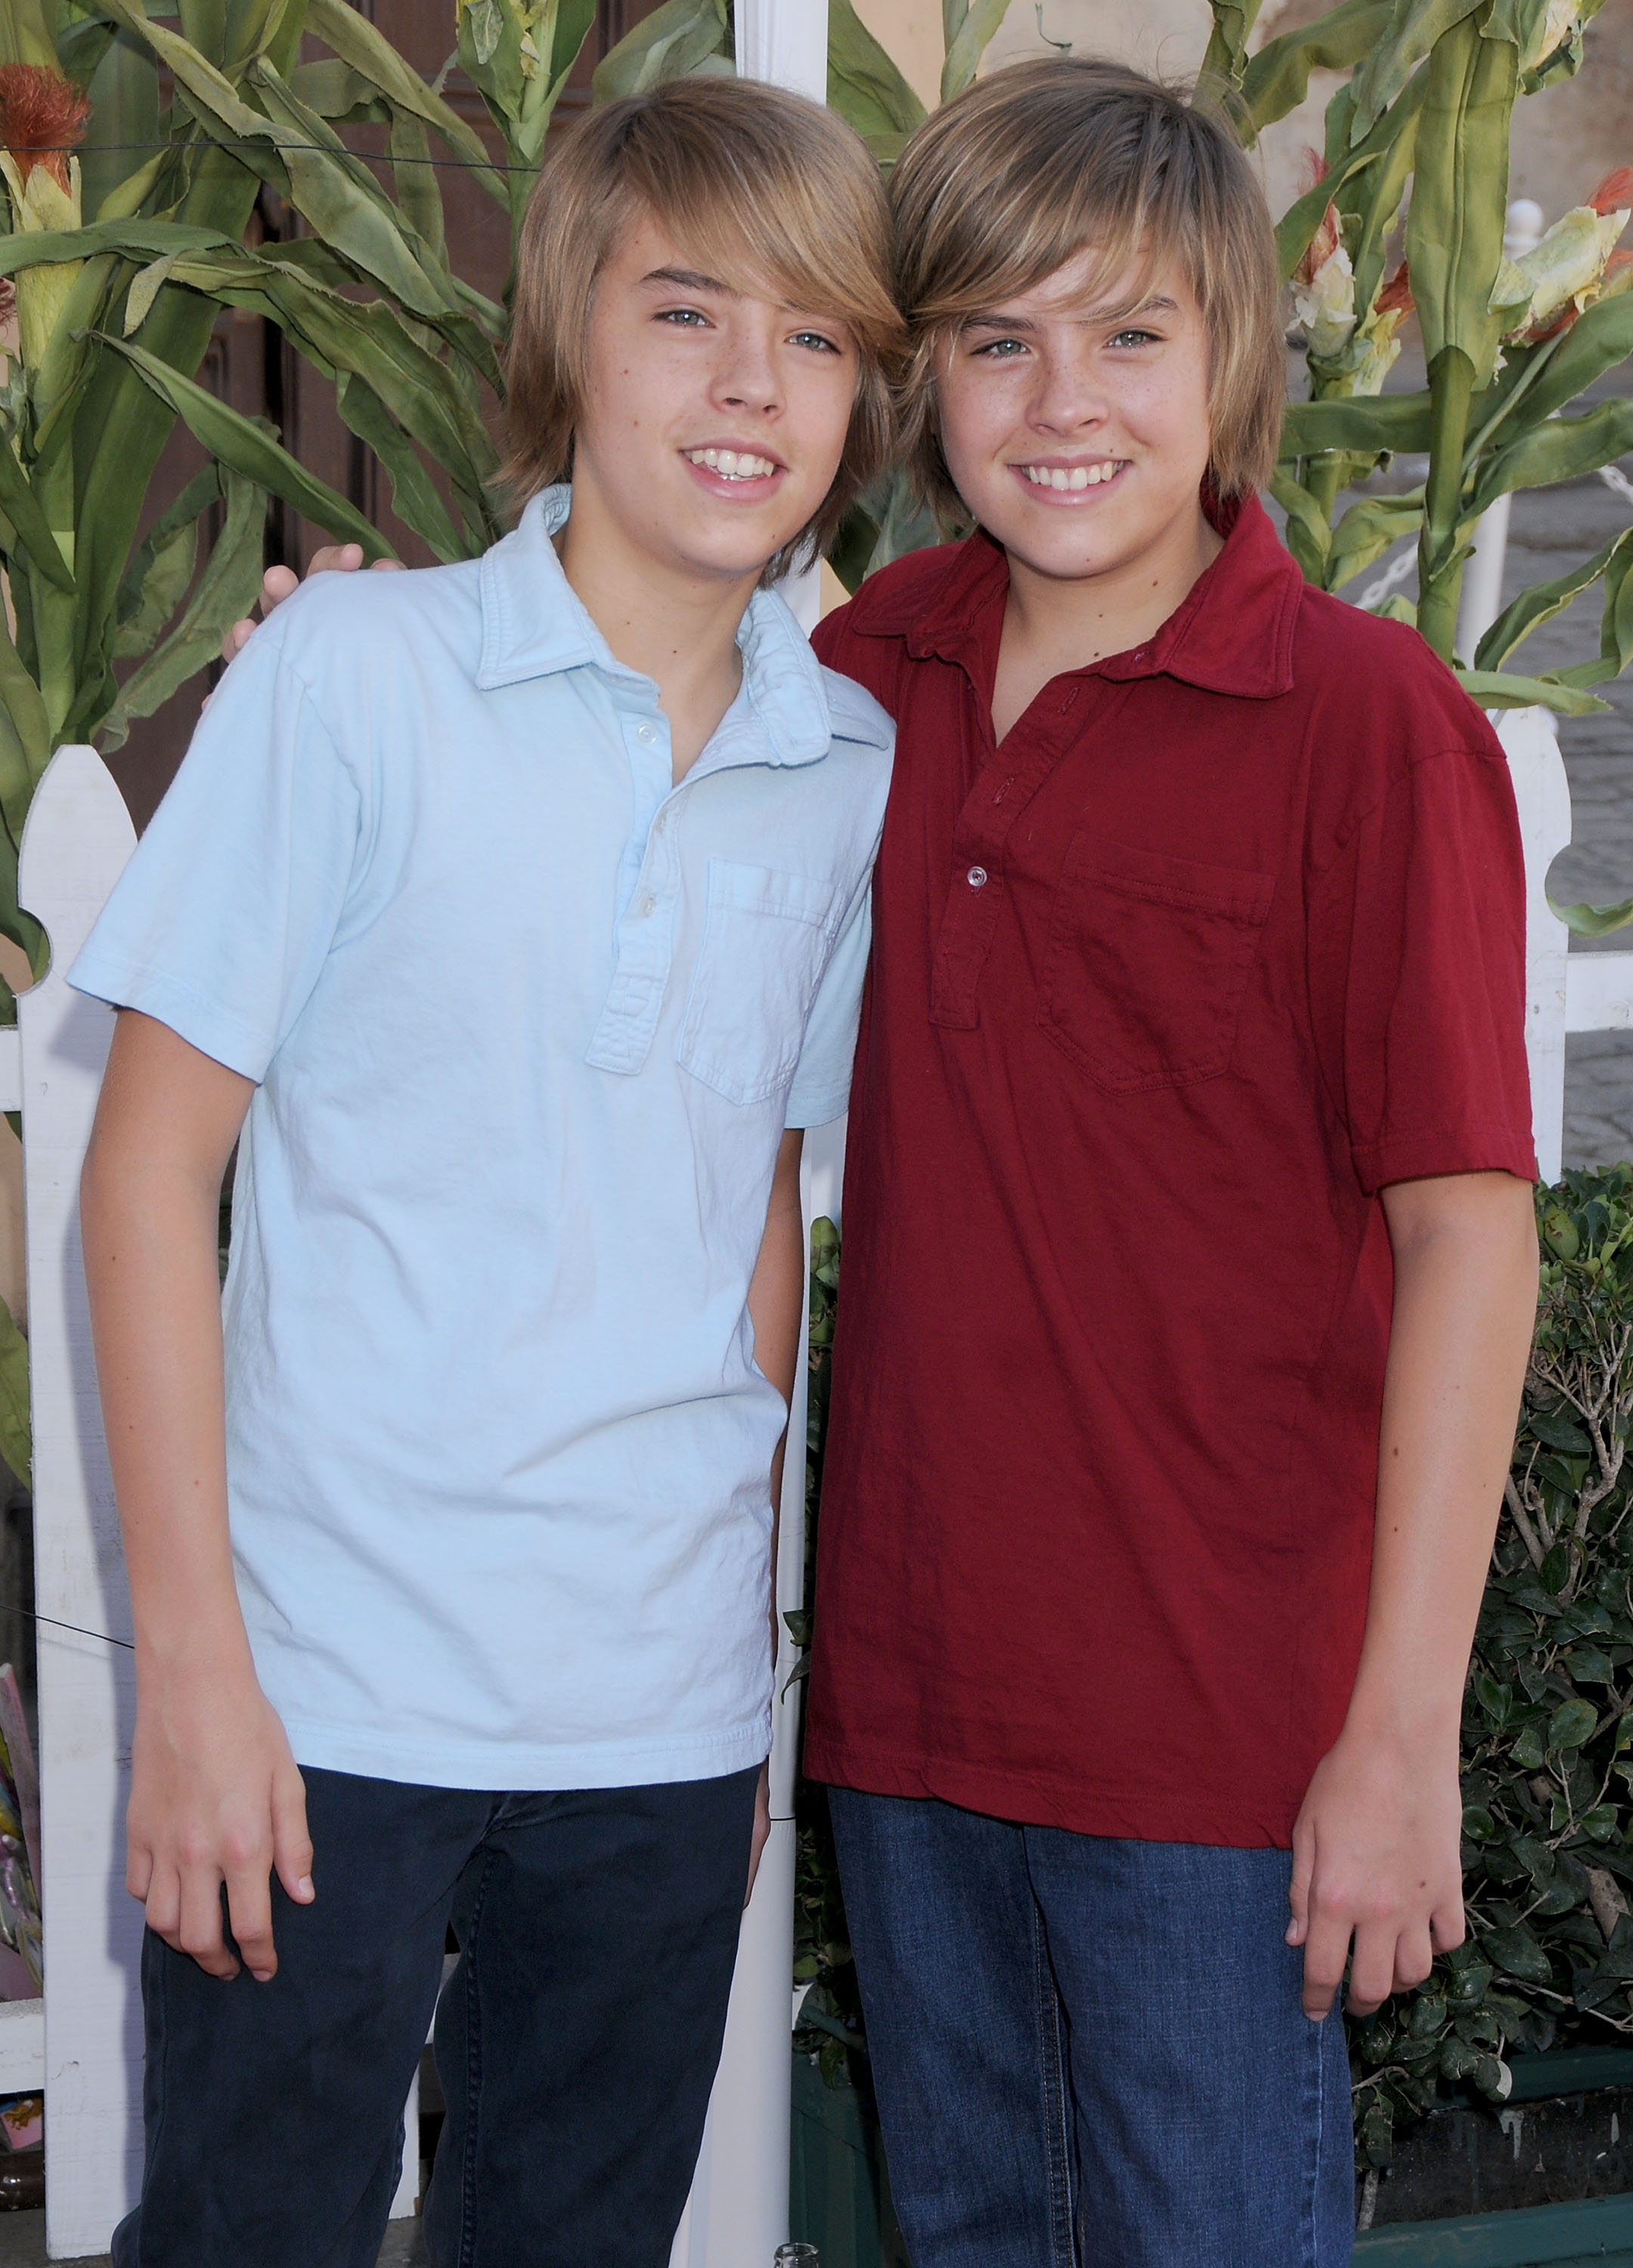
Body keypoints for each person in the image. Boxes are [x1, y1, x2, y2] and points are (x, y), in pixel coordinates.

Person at [74, 76, 900, 2268]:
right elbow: (147, 1183)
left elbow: (763, 1213)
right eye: (688, 312)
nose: (751, 386)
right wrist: (198, 1681)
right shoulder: (357, 679)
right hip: (322, 1699)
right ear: (566, 337)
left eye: (815, 337)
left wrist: (743, 1667)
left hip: (659, 1725)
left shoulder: (852, 770)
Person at [801, 58, 1539, 2267]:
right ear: (929, 378)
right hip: (912, 1705)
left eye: (1131, 334)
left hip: (1220, 1749)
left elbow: (1468, 1244)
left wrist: (1403, 1737)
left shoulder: (1364, 722)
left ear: (1230, 363)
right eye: (999, 339)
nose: (1064, 400)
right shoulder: (868, 676)